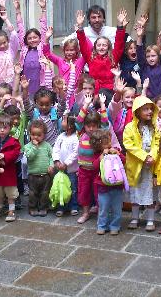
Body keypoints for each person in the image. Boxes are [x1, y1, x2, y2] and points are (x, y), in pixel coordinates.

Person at [123, 96, 161, 232]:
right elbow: (129, 144)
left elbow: (158, 143)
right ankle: (135, 217)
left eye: (151, 109)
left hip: (150, 167)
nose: (150, 111)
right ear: (137, 111)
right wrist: (144, 156)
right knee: (135, 192)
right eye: (146, 109)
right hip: (136, 166)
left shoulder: (155, 127)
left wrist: (152, 156)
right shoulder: (129, 128)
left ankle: (150, 219)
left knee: (149, 192)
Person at [75, 93, 110, 224]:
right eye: (88, 125)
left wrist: (102, 104)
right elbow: (78, 121)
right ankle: (85, 212)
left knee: (98, 193)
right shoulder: (81, 134)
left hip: (97, 170)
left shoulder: (100, 135)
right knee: (83, 192)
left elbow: (105, 123)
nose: (90, 128)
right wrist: (86, 104)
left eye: (94, 125)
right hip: (83, 170)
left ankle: (101, 214)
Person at [76, 8, 127, 94]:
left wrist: (120, 25)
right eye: (99, 45)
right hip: (93, 91)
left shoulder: (113, 57)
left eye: (104, 45)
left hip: (109, 91)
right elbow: (83, 44)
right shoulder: (90, 57)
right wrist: (80, 27)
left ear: (108, 47)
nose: (101, 47)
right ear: (95, 47)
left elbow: (119, 42)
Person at [91, 129, 126, 235]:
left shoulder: (114, 150)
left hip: (117, 185)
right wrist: (102, 156)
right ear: (98, 145)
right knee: (103, 207)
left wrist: (118, 154)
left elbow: (124, 161)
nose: (109, 144)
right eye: (106, 143)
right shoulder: (97, 154)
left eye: (109, 141)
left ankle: (115, 225)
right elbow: (95, 166)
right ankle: (102, 225)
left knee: (117, 208)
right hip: (103, 187)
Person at [23, 120, 54, 217]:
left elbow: (51, 157)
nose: (35, 137)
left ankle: (43, 207)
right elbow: (30, 156)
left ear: (44, 135)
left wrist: (51, 165)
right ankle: (32, 208)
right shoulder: (28, 146)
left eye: (39, 135)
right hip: (33, 175)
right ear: (29, 134)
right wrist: (34, 147)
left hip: (45, 175)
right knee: (33, 193)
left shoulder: (47, 146)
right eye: (33, 134)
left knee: (45, 193)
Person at [52, 114, 79, 216]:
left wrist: (66, 163)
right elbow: (55, 149)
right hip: (60, 169)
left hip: (71, 169)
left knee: (72, 188)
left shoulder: (76, 137)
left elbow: (75, 153)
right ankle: (61, 207)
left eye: (64, 120)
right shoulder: (60, 136)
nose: (61, 121)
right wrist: (57, 161)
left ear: (70, 125)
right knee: (60, 187)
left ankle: (73, 206)